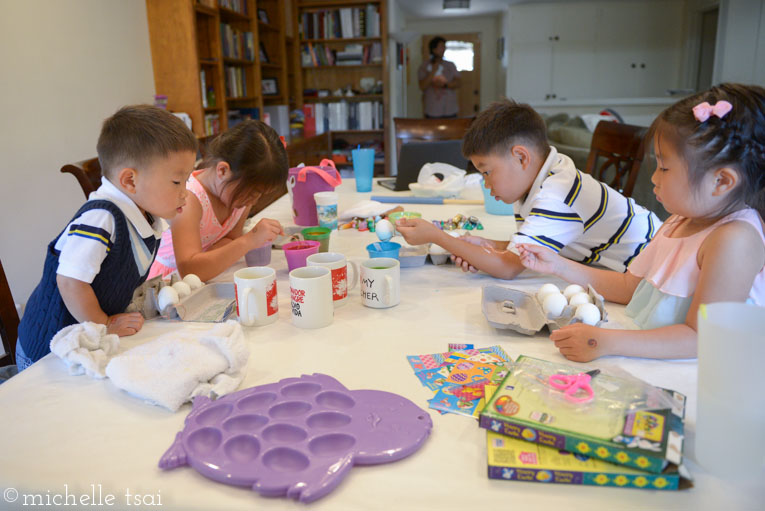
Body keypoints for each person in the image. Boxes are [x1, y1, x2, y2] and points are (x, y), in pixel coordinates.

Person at [518, 83, 765, 362]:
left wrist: (606, 341)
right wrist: (558, 265)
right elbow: (629, 287)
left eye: (664, 167)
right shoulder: (679, 222)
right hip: (659, 360)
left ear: (721, 181)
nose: (654, 178)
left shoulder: (735, 240)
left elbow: (703, 339)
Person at [16, 105, 198, 369]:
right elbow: (70, 282)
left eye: (188, 180)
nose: (186, 192)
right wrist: (105, 323)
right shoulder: (101, 218)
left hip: (86, 338)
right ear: (130, 181)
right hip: (50, 349)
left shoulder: (144, 215)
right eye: (176, 182)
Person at [396, 99, 661, 280]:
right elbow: (528, 251)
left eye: (487, 172)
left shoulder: (556, 194)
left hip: (651, 269)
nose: (486, 184)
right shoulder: (541, 174)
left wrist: (437, 236)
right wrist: (489, 245)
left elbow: (509, 268)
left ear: (521, 157)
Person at [148, 120, 287, 282]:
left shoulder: (240, 198)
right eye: (252, 193)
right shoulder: (190, 200)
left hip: (205, 277)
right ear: (222, 170)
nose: (254, 200)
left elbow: (230, 238)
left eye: (260, 194)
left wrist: (212, 256)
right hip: (169, 282)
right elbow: (190, 271)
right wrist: (249, 240)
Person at [418, 36, 460, 119]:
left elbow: (459, 82)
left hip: (450, 109)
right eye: (441, 47)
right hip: (432, 110)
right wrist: (433, 71)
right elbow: (422, 86)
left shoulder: (450, 65)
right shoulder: (424, 66)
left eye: (444, 47)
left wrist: (445, 85)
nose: (443, 49)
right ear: (433, 49)